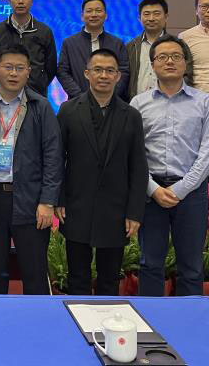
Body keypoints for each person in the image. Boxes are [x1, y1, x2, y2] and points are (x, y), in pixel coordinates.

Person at [0, 44, 63, 295]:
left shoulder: (41, 107)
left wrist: (47, 201)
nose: (13, 73)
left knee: (34, 271)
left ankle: (36, 318)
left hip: (30, 200)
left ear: (28, 72)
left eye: (20, 68)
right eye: (8, 67)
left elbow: (53, 157)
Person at [130, 34, 209, 296]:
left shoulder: (205, 102)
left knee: (191, 267)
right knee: (150, 264)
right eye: (162, 57)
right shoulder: (138, 104)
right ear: (152, 65)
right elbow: (133, 154)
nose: (169, 61)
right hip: (151, 193)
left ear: (185, 63)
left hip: (191, 193)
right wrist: (153, 189)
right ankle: (151, 317)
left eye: (176, 56)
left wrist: (180, 189)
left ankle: (189, 319)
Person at [56, 49, 148, 296]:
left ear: (118, 76)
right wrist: (59, 199)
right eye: (98, 70)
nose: (104, 76)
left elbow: (138, 166)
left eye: (110, 71)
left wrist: (134, 212)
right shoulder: (68, 110)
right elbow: (57, 159)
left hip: (115, 209)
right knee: (77, 278)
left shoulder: (131, 115)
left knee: (110, 279)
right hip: (76, 205)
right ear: (87, 74)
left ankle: (108, 318)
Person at [0, 0, 57, 97]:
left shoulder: (44, 31)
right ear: (9, 0)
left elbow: (51, 67)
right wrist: (0, 85)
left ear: (32, 0)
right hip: (5, 96)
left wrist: (39, 85)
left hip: (36, 96)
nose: (21, 1)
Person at [57, 0, 129, 100]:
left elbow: (124, 72)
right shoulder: (69, 43)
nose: (94, 15)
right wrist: (80, 97)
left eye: (98, 11)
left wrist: (110, 96)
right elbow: (62, 72)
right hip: (78, 103)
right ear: (82, 16)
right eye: (89, 11)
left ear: (105, 15)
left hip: (112, 103)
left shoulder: (117, 43)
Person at [126, 0, 168, 100]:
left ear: (166, 17)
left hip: (168, 102)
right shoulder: (130, 47)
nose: (151, 18)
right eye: (146, 14)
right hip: (136, 104)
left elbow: (186, 75)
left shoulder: (176, 45)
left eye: (156, 14)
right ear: (139, 18)